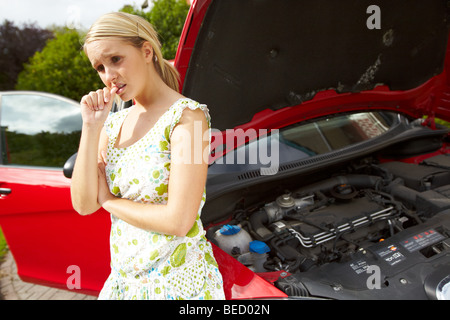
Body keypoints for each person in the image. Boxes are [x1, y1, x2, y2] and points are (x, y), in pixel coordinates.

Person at [70, 12, 225, 300]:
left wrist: (109, 200)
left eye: (115, 59)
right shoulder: (114, 124)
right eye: (100, 67)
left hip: (176, 286)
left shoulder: (187, 118)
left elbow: (178, 220)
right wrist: (91, 126)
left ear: (146, 51)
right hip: (124, 284)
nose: (109, 76)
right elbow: (83, 205)